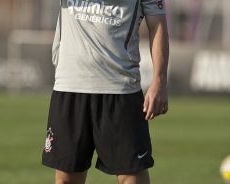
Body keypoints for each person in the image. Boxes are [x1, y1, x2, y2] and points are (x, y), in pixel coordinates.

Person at [42, 0, 169, 183]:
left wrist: (160, 81)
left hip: (121, 88)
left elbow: (157, 24)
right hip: (70, 84)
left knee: (132, 176)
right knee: (66, 178)